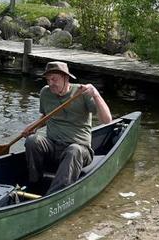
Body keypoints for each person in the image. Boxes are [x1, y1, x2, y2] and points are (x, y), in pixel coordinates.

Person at [23, 61, 112, 194]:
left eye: (54, 79)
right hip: (53, 146)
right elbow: (46, 117)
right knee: (32, 141)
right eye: (48, 79)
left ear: (66, 78)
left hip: (80, 151)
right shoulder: (45, 93)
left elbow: (107, 120)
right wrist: (33, 127)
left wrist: (96, 94)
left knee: (73, 150)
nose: (50, 83)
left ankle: (55, 195)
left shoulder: (82, 93)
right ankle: (34, 184)